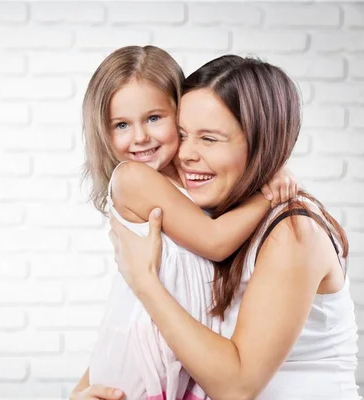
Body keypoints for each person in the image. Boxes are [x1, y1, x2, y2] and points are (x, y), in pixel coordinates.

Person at [106, 55, 359, 400]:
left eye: (209, 139)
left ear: (261, 143)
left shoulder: (292, 232)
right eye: (182, 134)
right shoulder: (214, 218)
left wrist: (144, 282)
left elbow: (236, 387)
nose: (186, 154)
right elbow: (144, 328)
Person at [74, 46, 298, 400]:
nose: (140, 137)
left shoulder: (190, 175)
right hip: (140, 369)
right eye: (121, 125)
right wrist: (268, 194)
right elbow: (214, 241)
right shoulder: (132, 178)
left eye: (154, 118)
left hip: (181, 367)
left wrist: (269, 166)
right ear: (104, 132)